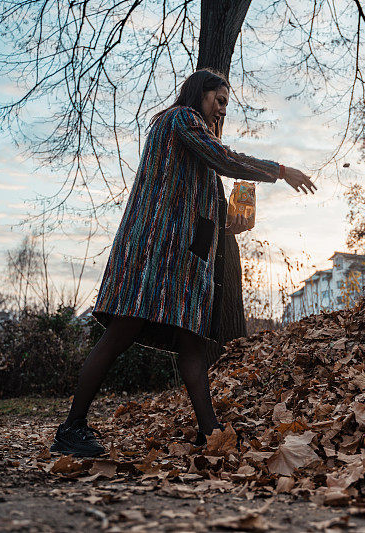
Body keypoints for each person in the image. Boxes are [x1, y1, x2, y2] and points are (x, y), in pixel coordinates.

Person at [50, 69, 316, 457]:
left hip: (181, 259)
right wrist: (280, 170)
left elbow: (195, 200)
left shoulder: (192, 135)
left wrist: (230, 224)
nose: (222, 110)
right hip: (155, 254)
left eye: (226, 104)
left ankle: (209, 432)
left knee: (191, 344)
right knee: (120, 333)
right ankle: (71, 428)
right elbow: (224, 159)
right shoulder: (182, 119)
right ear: (199, 93)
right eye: (219, 100)